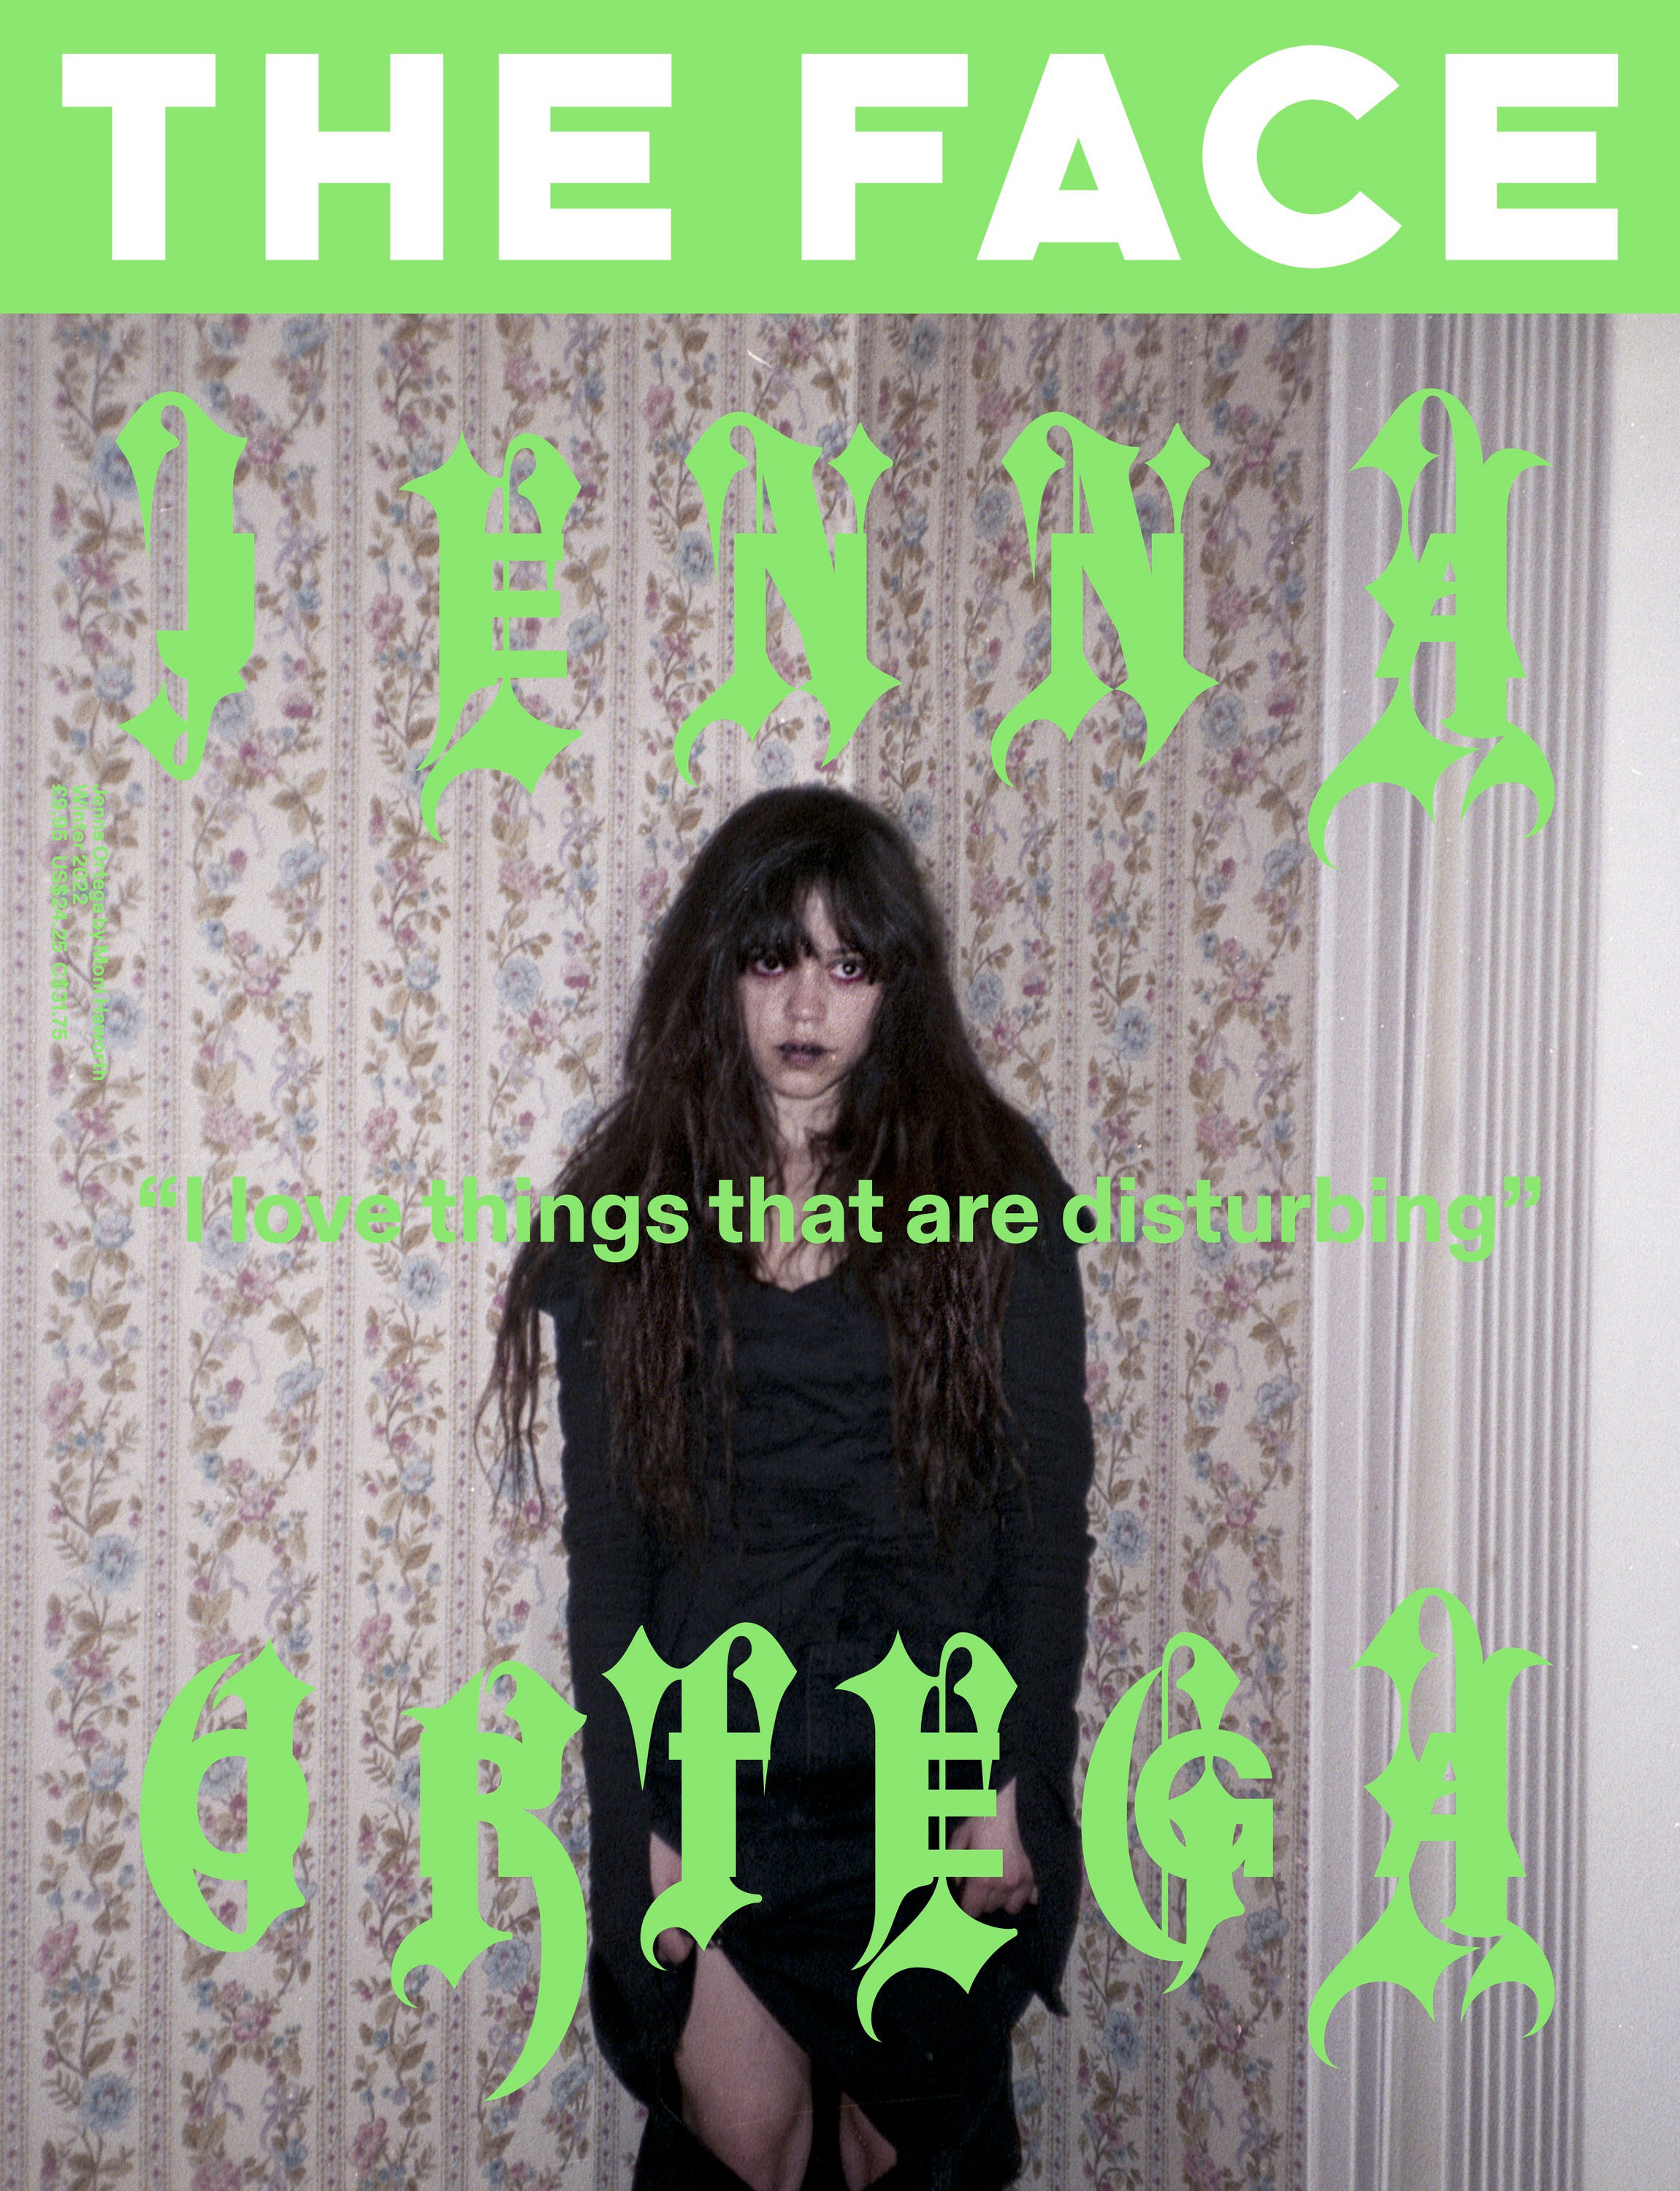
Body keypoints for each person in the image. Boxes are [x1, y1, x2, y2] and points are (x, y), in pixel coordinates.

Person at [484, 786, 1094, 2191]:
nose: (807, 1003)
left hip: (936, 1765)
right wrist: (638, 1826)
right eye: (773, 958)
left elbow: (1040, 1535)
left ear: (897, 987)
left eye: (849, 963)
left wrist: (1014, 1784)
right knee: (740, 2149)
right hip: (720, 1771)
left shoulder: (993, 1188)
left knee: (902, 2148)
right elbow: (613, 1570)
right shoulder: (630, 1212)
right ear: (718, 973)